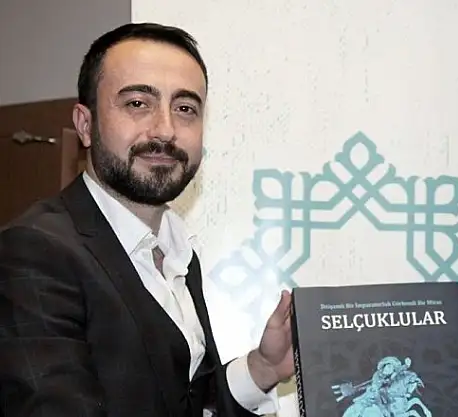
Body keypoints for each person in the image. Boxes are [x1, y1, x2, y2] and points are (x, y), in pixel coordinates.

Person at [0, 23, 293, 416]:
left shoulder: (176, 252)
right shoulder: (32, 251)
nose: (165, 130)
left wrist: (263, 368)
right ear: (85, 125)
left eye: (185, 109)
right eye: (138, 103)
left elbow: (177, 399)